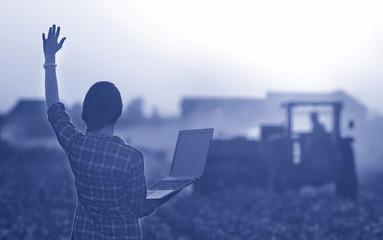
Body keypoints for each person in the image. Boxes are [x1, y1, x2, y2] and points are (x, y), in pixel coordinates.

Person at [43, 24, 163, 240]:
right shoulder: (131, 158)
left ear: (85, 112)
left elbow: (54, 108)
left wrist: (50, 59)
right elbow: (138, 209)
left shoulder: (75, 145)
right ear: (119, 113)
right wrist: (166, 195)